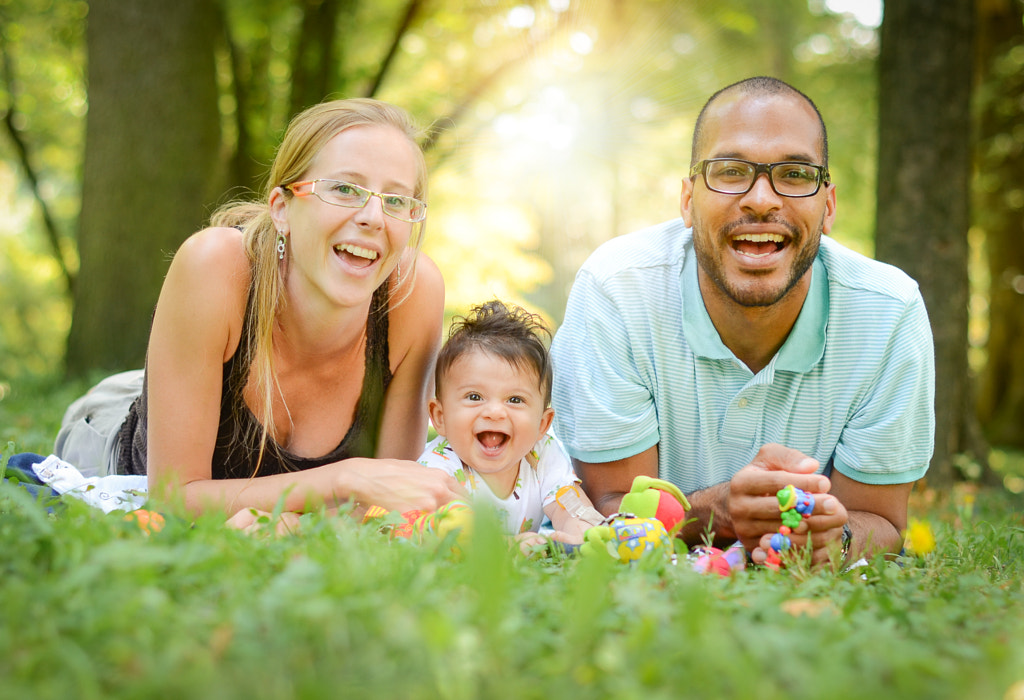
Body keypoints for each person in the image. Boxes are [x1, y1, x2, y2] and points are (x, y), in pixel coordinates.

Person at [549, 76, 935, 567]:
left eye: (795, 174)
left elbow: (879, 521)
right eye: (730, 170)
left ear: (829, 206)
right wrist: (718, 511)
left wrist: (827, 540)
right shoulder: (617, 290)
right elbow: (608, 509)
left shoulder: (889, 314)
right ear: (688, 201)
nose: (760, 199)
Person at [54, 98, 462, 518]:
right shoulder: (213, 266)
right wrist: (345, 478)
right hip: (111, 438)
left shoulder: (413, 292)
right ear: (282, 209)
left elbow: (390, 502)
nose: (374, 217)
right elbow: (173, 497)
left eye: (396, 200)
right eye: (344, 189)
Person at [418, 300, 602, 548]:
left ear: (542, 424)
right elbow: (443, 528)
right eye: (475, 397)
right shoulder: (440, 465)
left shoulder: (541, 455)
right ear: (440, 417)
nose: (495, 412)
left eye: (515, 399)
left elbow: (568, 503)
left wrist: (585, 532)